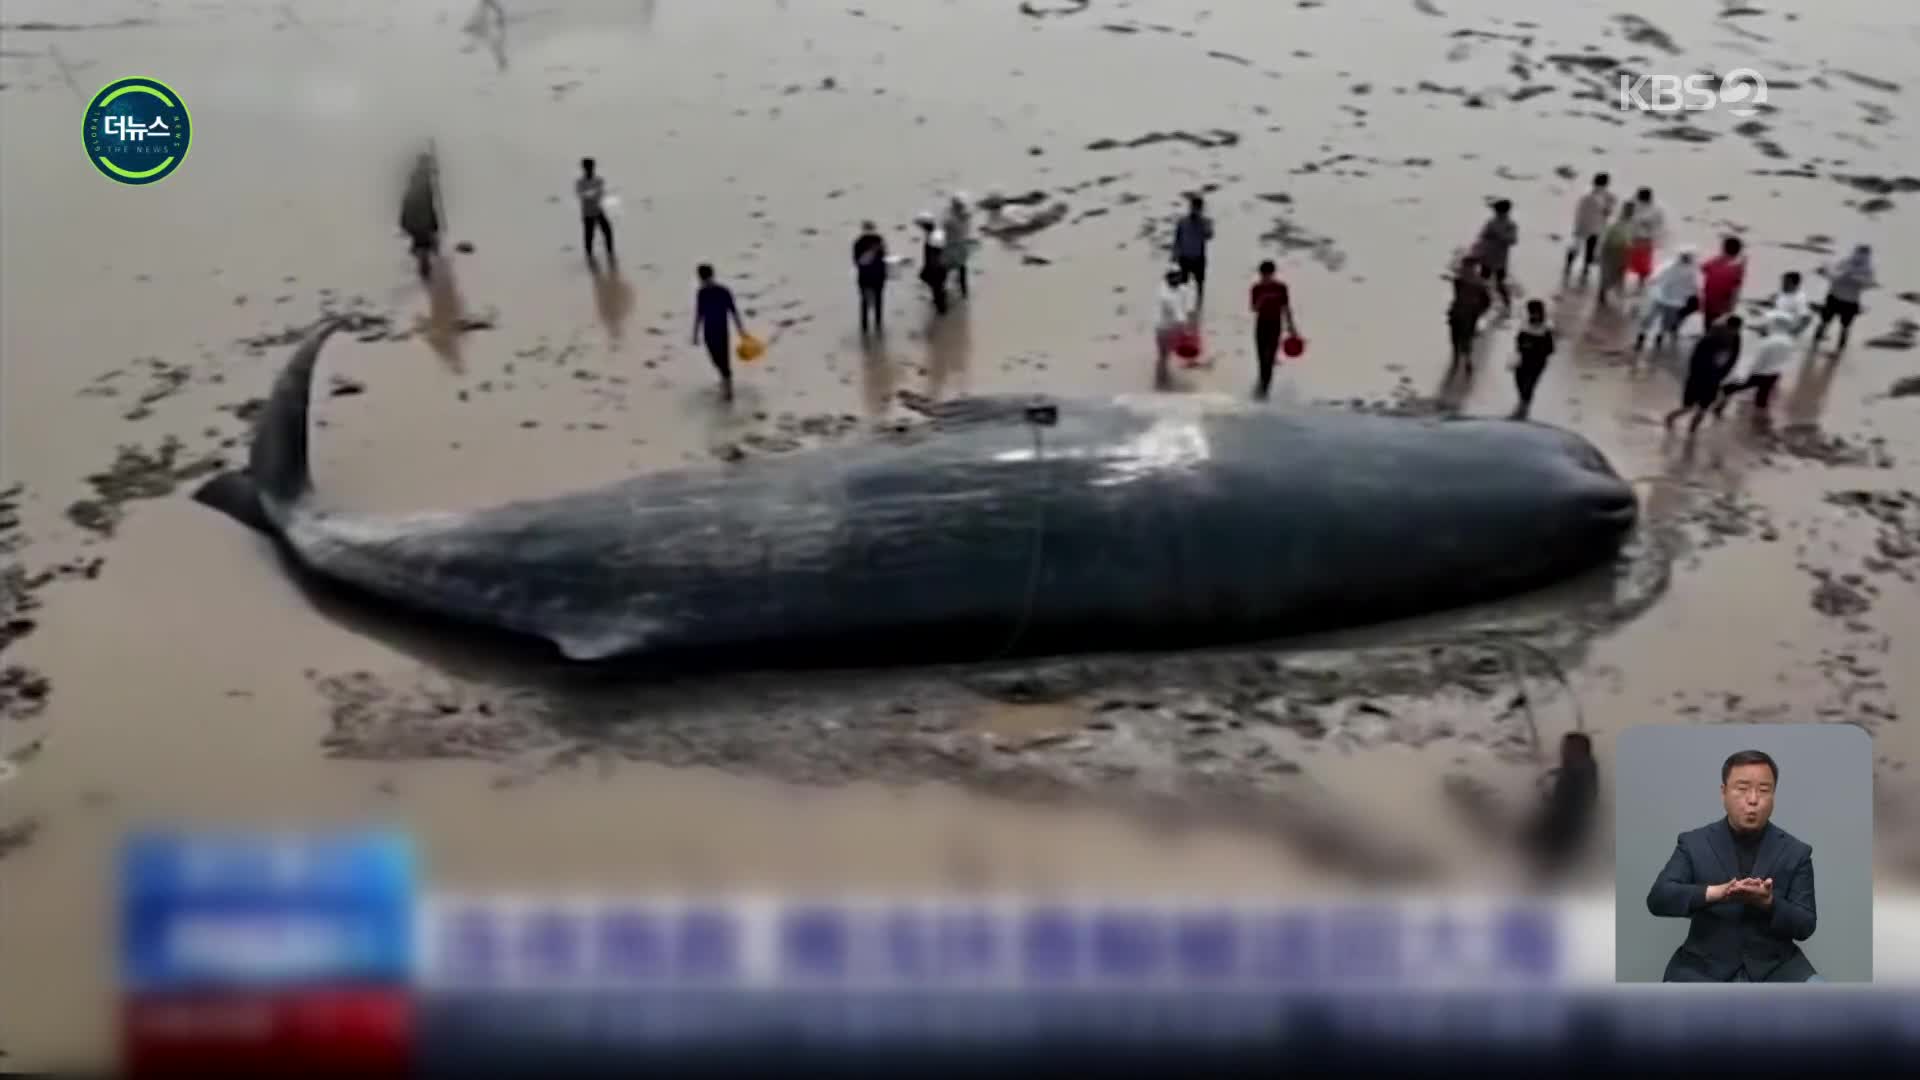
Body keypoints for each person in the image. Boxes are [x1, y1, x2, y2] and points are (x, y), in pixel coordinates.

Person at [1645, 749, 1820, 983]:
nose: (1753, 799)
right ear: (1723, 792)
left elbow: (1805, 924)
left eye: (1764, 790)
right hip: (1702, 968)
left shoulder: (1796, 851)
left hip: (1776, 967)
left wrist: (1769, 903)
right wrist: (1715, 893)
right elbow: (1658, 898)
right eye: (1742, 788)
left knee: (1826, 1005)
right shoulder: (1694, 843)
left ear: (1774, 795)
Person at [1523, 732, 1599, 880]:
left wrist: (1551, 802)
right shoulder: (1578, 766)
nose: (1563, 751)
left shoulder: (1581, 772)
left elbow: (1573, 805)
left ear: (1580, 750)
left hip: (1565, 834)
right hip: (1560, 827)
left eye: (1568, 748)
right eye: (1564, 747)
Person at [1665, 315, 1742, 435]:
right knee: (1701, 408)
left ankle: (1676, 423)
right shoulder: (1733, 339)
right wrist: (1722, 376)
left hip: (1702, 377)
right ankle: (1689, 431)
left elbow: (1695, 358)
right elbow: (1732, 360)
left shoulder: (1711, 337)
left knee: (1691, 407)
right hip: (1710, 378)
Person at [1715, 311, 1796, 426]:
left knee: (1729, 388)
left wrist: (1743, 375)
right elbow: (1788, 361)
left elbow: (1757, 362)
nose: (1766, 325)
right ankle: (1761, 421)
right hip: (1775, 374)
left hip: (1759, 373)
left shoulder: (1768, 342)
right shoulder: (1789, 341)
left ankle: (1719, 408)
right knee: (1762, 397)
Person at [691, 264, 747, 402]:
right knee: (715, 359)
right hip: (709, 332)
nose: (704, 281)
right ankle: (724, 378)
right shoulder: (701, 293)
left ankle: (728, 388)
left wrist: (740, 329)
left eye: (706, 278)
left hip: (721, 331)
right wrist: (695, 333)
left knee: (724, 360)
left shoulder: (723, 291)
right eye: (703, 279)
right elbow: (699, 314)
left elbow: (733, 310)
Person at [1811, 244, 1877, 355]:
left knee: (1845, 327)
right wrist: (1827, 272)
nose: (1860, 256)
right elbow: (1832, 275)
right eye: (1859, 252)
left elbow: (1869, 284)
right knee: (1824, 322)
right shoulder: (1845, 262)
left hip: (1850, 302)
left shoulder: (1868, 270)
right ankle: (1814, 345)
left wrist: (1856, 279)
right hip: (1834, 297)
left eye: (1863, 253)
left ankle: (1839, 350)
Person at [1633, 245, 1699, 354]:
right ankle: (1652, 338)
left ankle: (1646, 338)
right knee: (1660, 320)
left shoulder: (1672, 266)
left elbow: (1655, 277)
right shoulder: (1689, 271)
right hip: (1670, 300)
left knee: (1652, 319)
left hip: (1664, 298)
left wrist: (1651, 284)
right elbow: (1693, 289)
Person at [1248, 260, 1296, 401]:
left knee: (1270, 358)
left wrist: (1291, 327)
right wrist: (1262, 300)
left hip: (1275, 325)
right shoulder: (1256, 288)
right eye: (1263, 274)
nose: (1266, 277)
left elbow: (1286, 308)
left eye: (1268, 274)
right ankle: (1260, 387)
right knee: (1262, 358)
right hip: (1261, 324)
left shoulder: (1281, 288)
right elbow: (1254, 308)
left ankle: (1264, 390)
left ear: (1272, 273)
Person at [1680, 235, 1746, 333]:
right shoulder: (1737, 270)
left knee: (1707, 325)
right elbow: (1735, 291)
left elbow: (1700, 269)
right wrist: (1731, 310)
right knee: (1715, 329)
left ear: (1723, 249)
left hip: (1706, 303)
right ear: (1738, 252)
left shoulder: (1714, 262)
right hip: (1722, 307)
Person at [1564, 172, 1616, 283]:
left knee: (1577, 248)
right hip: (1595, 227)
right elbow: (1608, 212)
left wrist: (1576, 225)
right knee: (1589, 249)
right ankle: (1584, 271)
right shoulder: (1607, 197)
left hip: (1584, 225)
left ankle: (1570, 268)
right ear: (1606, 183)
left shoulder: (1586, 194)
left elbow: (1579, 211)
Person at [399, 151, 442, 282]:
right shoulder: (422, 179)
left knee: (423, 243)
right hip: (420, 218)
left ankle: (425, 266)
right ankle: (426, 271)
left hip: (416, 218)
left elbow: (411, 199)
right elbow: (426, 203)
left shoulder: (418, 178)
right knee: (424, 242)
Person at [1446, 254, 1492, 375]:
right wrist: (1479, 310)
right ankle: (1466, 360)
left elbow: (1457, 295)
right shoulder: (1479, 283)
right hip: (1470, 314)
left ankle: (1456, 358)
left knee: (1455, 337)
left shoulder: (1459, 280)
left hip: (1458, 313)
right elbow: (1487, 302)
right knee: (1466, 337)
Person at [1472, 198, 1519, 315]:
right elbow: (1482, 236)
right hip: (1488, 258)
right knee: (1483, 282)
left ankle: (1507, 305)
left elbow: (1513, 240)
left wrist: (1499, 235)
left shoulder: (1510, 225)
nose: (1496, 213)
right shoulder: (1491, 222)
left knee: (1500, 284)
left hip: (1500, 260)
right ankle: (1480, 304)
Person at [1510, 299, 1555, 419]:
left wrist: (1536, 349)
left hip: (1537, 363)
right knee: (1519, 380)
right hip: (1523, 360)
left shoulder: (1546, 329)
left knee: (1529, 384)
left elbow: (1550, 349)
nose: (1534, 315)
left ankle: (1524, 406)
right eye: (1531, 312)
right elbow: (1518, 340)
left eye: (1536, 312)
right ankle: (1523, 401)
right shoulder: (1525, 325)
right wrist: (1521, 348)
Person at [1172, 194, 1214, 308]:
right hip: (1184, 257)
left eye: (1198, 208)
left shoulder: (1206, 222)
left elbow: (1209, 236)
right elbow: (1177, 238)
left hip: (1198, 257)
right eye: (1193, 207)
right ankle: (1182, 305)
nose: (1195, 210)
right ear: (1190, 207)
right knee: (1183, 284)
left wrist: (1202, 223)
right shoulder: (1182, 221)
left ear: (1201, 209)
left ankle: (1199, 305)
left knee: (1199, 283)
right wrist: (1174, 255)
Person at [1155, 267, 1193, 383]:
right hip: (1164, 329)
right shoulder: (1166, 296)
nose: (1179, 278)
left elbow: (1186, 293)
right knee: (1164, 354)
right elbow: (1178, 315)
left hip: (1167, 327)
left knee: (1165, 354)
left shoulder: (1175, 288)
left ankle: (1162, 376)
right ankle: (1162, 377)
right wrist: (1187, 330)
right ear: (1170, 278)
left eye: (1179, 275)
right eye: (1176, 276)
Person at [1595, 201, 1636, 308]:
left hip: (1623, 251)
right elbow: (1604, 238)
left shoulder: (1632, 223)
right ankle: (1602, 292)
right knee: (1607, 273)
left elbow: (1630, 237)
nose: (1630, 213)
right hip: (1610, 249)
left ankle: (1608, 290)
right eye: (1629, 211)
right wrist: (1599, 252)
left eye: (1632, 211)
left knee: (1618, 274)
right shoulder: (1614, 222)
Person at [576, 157, 615, 265]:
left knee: (607, 231)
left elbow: (599, 194)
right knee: (589, 235)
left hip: (597, 210)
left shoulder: (598, 180)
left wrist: (590, 195)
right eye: (587, 167)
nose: (589, 169)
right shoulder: (580, 182)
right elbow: (581, 195)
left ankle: (610, 253)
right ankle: (589, 256)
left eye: (591, 167)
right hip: (587, 212)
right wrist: (592, 194)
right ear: (584, 168)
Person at [852, 221, 888, 337]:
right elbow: (860, 261)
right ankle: (873, 326)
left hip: (869, 276)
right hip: (873, 276)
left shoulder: (860, 242)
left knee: (869, 301)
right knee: (874, 301)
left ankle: (868, 328)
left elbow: (858, 262)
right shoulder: (866, 242)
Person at [1626, 186, 1666, 289]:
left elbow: (1658, 225)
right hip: (1635, 238)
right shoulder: (1634, 204)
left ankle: (1641, 283)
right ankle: (1636, 282)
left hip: (1645, 239)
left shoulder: (1656, 209)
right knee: (1631, 261)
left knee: (1643, 264)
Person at [915, 212, 949, 315]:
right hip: (938, 265)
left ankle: (941, 308)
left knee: (935, 286)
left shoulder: (934, 238)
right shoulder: (935, 234)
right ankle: (941, 300)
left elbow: (934, 254)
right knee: (935, 284)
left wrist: (931, 267)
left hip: (935, 267)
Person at [943, 194, 974, 301]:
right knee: (961, 270)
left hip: (951, 248)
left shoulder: (949, 220)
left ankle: (946, 291)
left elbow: (944, 231)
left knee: (946, 270)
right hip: (961, 248)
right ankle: (964, 292)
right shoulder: (964, 217)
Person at [1769, 270, 1813, 341]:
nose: (1783, 284)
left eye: (1786, 282)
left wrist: (1793, 332)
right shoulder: (1783, 292)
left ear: (1793, 284)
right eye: (1783, 282)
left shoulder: (1800, 299)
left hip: (1786, 335)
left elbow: (1807, 319)